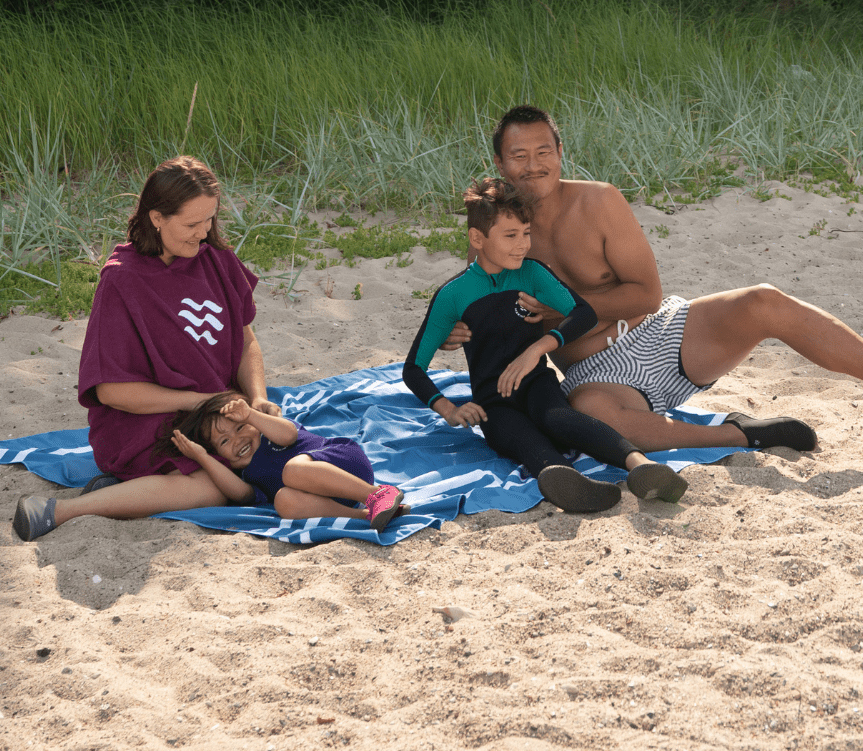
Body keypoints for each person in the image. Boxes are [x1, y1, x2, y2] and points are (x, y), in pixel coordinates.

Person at [445, 104, 863, 453]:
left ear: (560, 151)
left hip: (661, 332)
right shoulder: (492, 232)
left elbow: (647, 295)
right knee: (591, 417)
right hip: (595, 372)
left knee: (762, 300)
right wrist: (457, 331)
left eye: (543, 152)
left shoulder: (600, 200)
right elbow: (478, 320)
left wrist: (564, 306)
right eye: (519, 156)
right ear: (500, 163)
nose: (533, 166)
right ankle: (741, 433)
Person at [13, 155, 280, 542]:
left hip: (213, 411)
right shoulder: (122, 280)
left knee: (274, 455)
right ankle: (60, 510)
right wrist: (198, 401)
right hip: (144, 420)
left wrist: (257, 399)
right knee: (214, 488)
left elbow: (246, 340)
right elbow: (112, 392)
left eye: (209, 220)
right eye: (191, 224)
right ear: (157, 217)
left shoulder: (218, 259)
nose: (204, 233)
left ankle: (120, 494)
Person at [403, 177, 689, 513]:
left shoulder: (533, 274)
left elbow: (582, 312)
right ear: (477, 238)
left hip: (538, 384)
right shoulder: (453, 295)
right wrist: (448, 408)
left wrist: (538, 349)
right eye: (510, 236)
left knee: (560, 418)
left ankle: (641, 465)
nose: (522, 245)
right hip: (493, 402)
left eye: (526, 233)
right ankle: (565, 481)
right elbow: (414, 367)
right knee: (520, 436)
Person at [165, 391, 404, 529]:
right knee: (283, 501)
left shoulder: (270, 435)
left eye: (240, 428)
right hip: (331, 498)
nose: (237, 441)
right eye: (224, 442)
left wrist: (250, 414)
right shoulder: (248, 474)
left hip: (345, 465)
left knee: (291, 471)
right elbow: (241, 495)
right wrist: (202, 457)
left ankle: (376, 494)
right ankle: (369, 515)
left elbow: (289, 434)